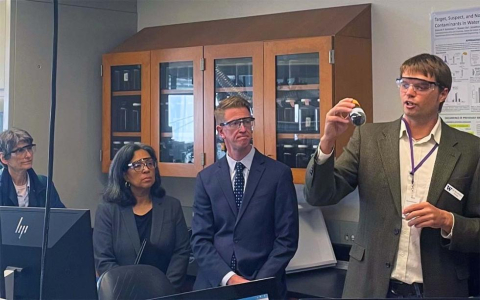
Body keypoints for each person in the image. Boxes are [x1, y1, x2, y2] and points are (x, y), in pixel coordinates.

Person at [305, 53, 480, 298]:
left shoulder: (470, 150)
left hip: (438, 287)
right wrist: (327, 141)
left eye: (421, 86)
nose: (409, 92)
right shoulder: (369, 138)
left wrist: (447, 221)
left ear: (443, 93)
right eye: (404, 84)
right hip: (371, 285)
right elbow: (319, 196)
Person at [191, 96, 299, 298]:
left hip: (264, 284)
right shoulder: (206, 179)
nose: (243, 128)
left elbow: (287, 239)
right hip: (216, 284)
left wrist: (255, 286)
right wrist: (230, 278)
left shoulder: (278, 174)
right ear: (221, 131)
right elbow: (200, 240)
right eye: (235, 123)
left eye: (247, 121)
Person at [93, 143, 190, 291]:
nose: (146, 169)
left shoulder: (171, 206)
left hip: (165, 293)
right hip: (122, 294)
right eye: (137, 165)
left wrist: (165, 289)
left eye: (149, 163)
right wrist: (132, 290)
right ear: (124, 174)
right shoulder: (108, 210)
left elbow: (181, 252)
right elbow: (104, 260)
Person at [0, 128, 64, 208]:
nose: (29, 155)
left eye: (29, 148)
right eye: (20, 150)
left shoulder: (45, 184)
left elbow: (61, 217)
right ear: (4, 158)